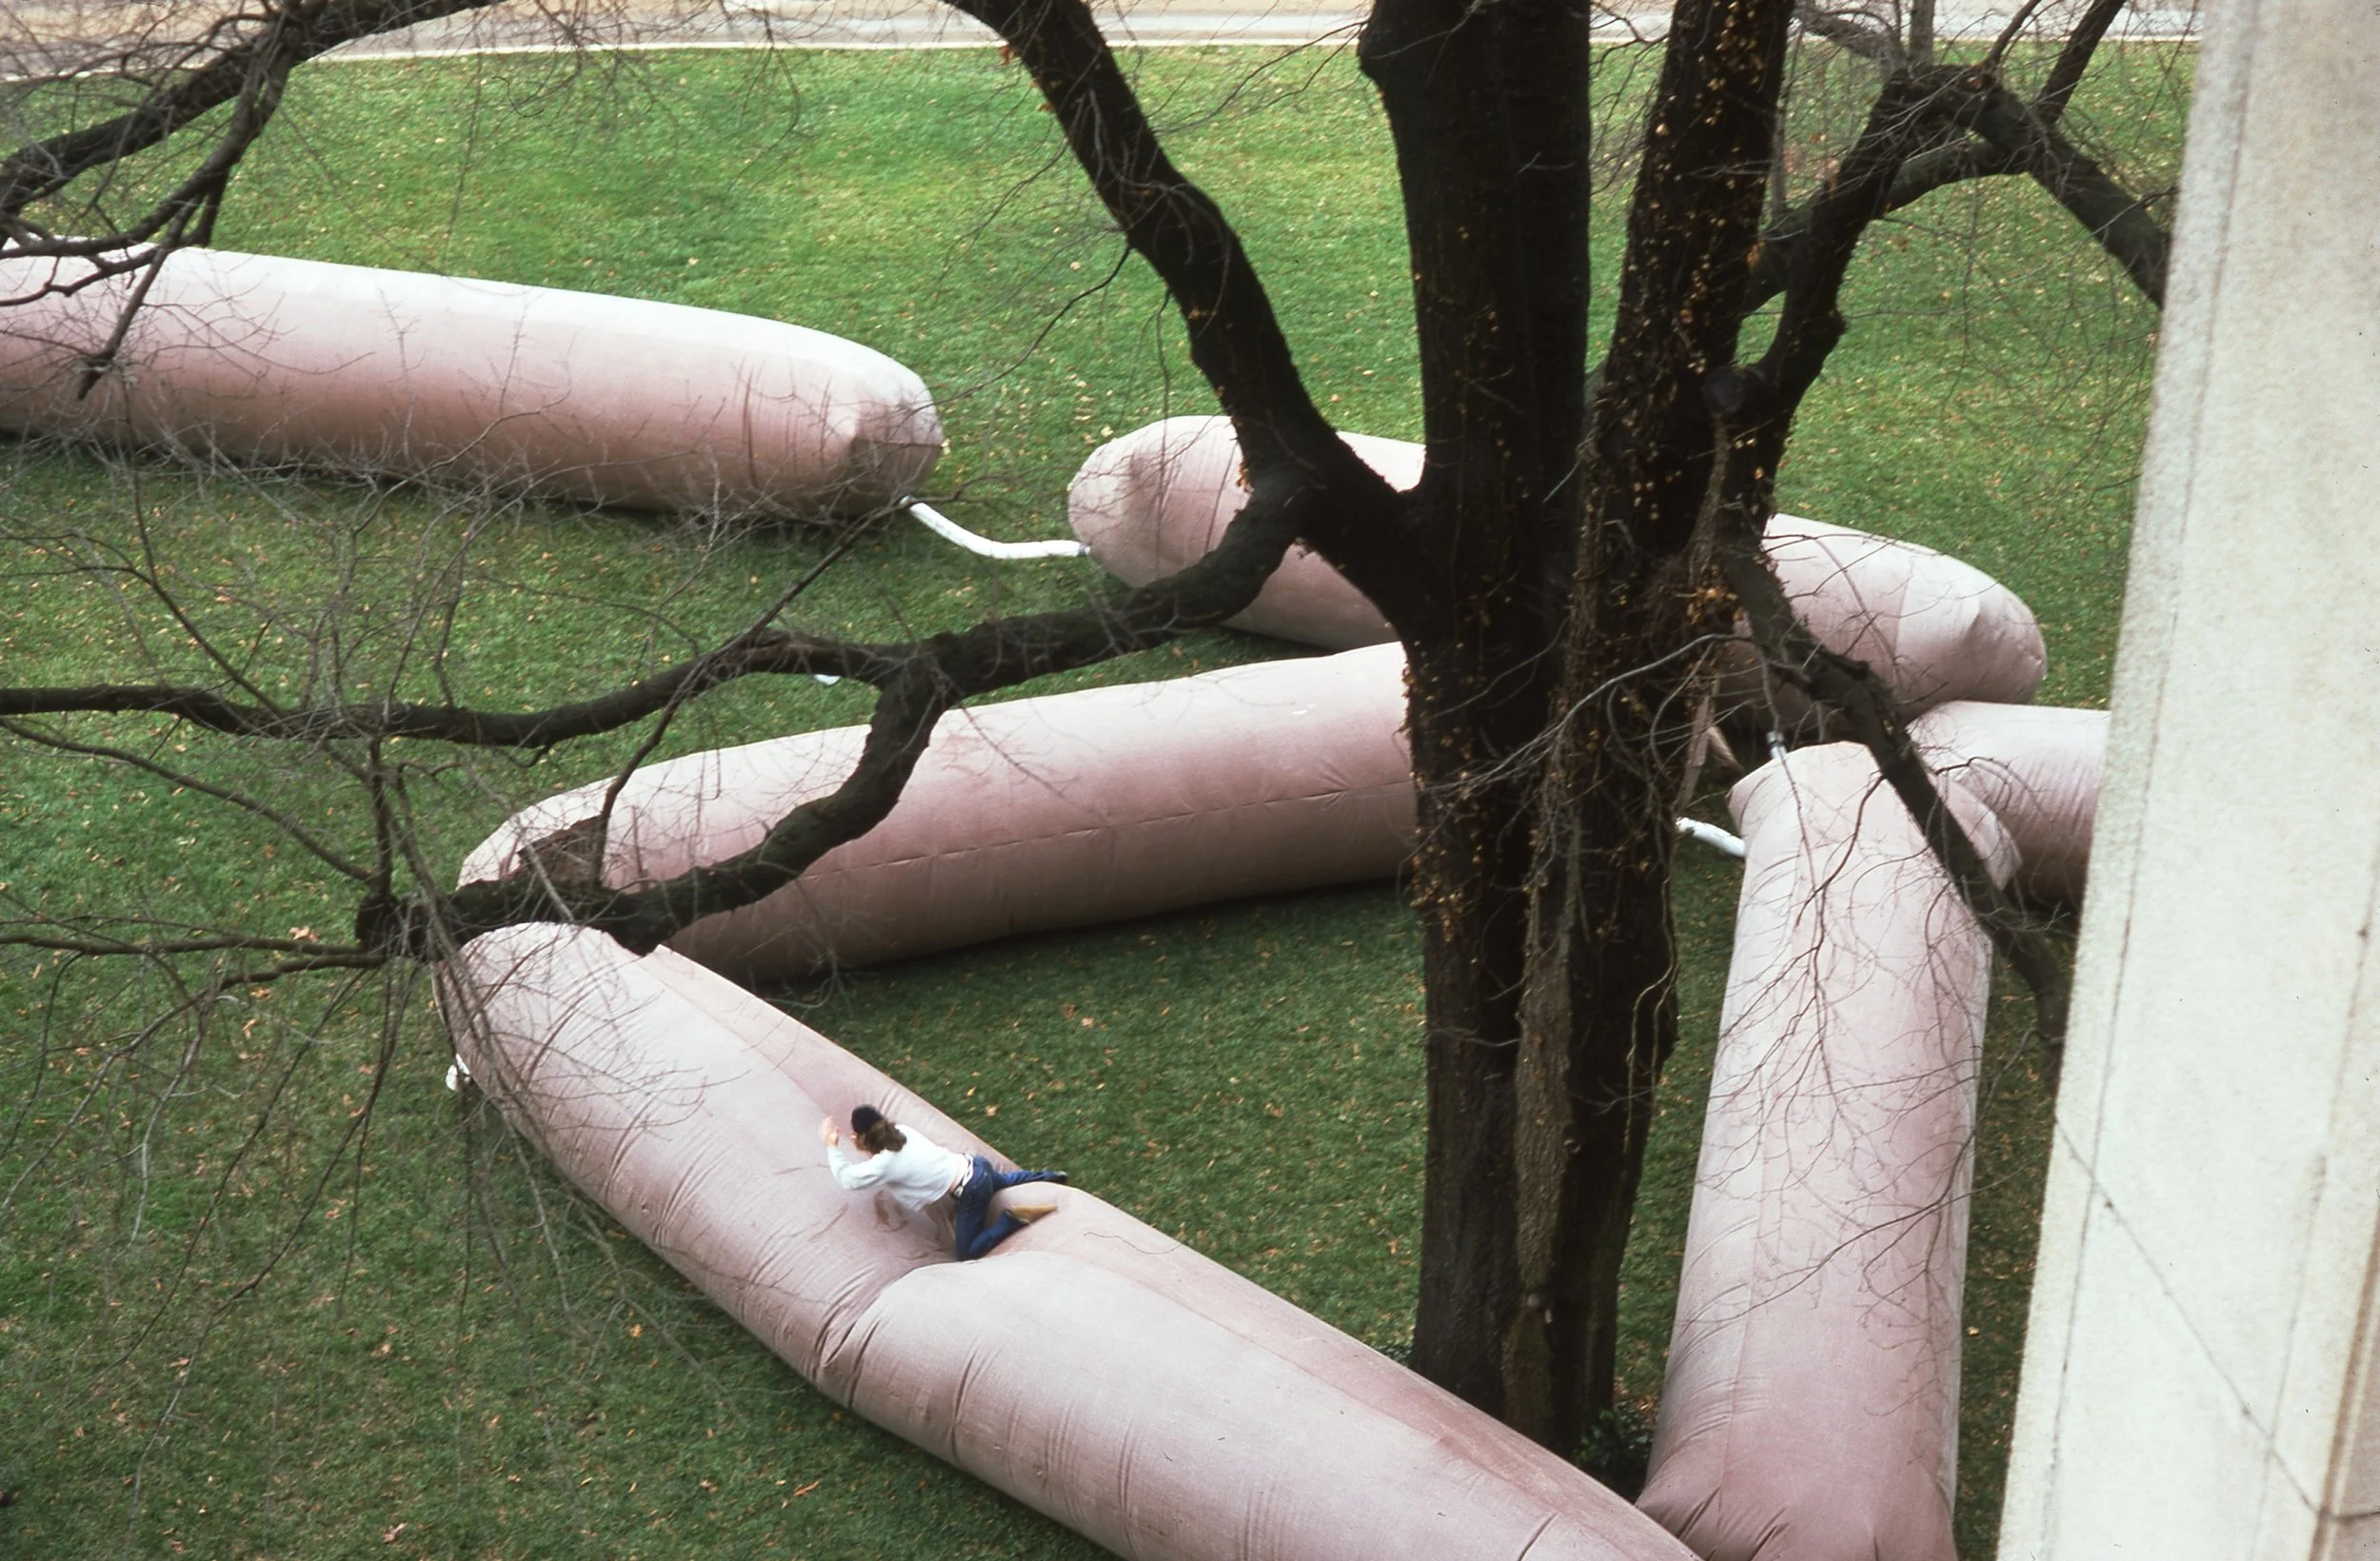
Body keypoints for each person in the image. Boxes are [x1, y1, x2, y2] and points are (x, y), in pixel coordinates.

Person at [819, 1105, 1068, 1260]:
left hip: (971, 1190)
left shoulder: (885, 1164)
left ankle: (1010, 1221)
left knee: (967, 1252)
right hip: (976, 1165)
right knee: (1004, 1180)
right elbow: (892, 1157)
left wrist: (831, 1145)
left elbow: (848, 1178)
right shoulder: (903, 1131)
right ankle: (1049, 1176)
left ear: (862, 1137)